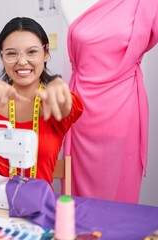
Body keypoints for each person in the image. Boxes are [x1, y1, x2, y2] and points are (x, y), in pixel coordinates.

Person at [0, 17, 83, 186]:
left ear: (46, 53)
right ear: (1, 57)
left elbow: (66, 107)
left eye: (32, 52)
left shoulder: (53, 103)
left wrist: (60, 93)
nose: (22, 61)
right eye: (11, 53)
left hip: (36, 207)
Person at [61, 0, 158, 203]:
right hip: (81, 111)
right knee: (78, 199)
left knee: (121, 190)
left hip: (123, 109)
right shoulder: (70, 2)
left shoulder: (147, 3)